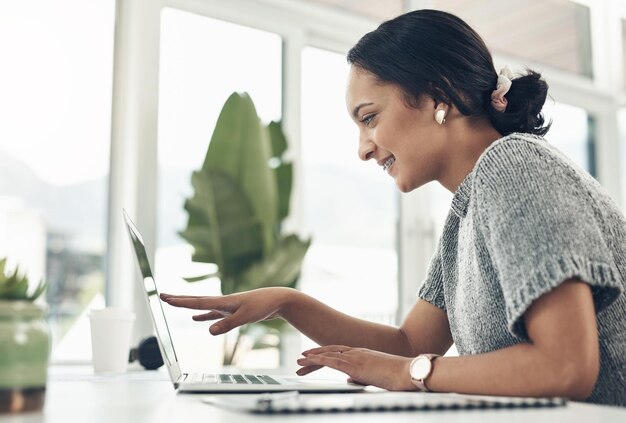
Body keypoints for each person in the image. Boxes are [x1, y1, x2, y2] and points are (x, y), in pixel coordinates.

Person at [161, 9, 626, 406]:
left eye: (369, 118)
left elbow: (565, 366)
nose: (364, 149)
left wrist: (408, 374)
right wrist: (288, 302)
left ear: (437, 96)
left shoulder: (515, 166)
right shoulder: (469, 208)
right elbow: (410, 344)